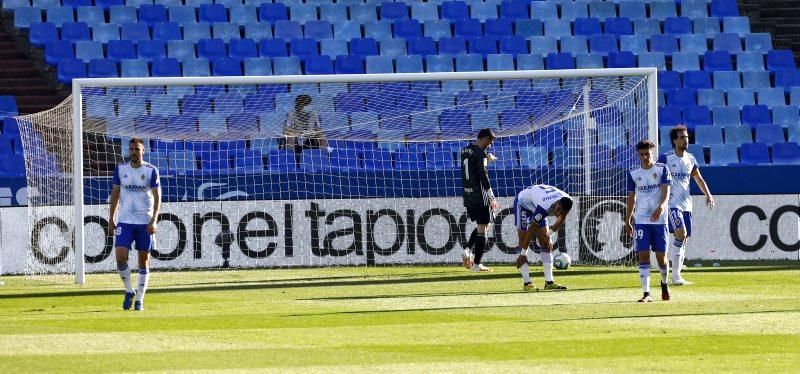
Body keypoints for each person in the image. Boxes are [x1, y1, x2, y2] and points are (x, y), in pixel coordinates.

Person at [657, 125, 715, 285]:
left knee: (683, 239)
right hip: (671, 204)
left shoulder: (691, 159)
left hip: (686, 205)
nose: (686, 140)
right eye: (682, 137)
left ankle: (676, 274)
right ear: (675, 141)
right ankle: (675, 277)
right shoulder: (665, 159)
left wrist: (708, 194)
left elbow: (698, 178)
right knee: (680, 234)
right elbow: (655, 177)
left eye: (687, 137)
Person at [108, 138, 161, 311]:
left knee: (143, 262)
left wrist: (154, 219)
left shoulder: (151, 170)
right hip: (125, 221)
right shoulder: (121, 169)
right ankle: (129, 290)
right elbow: (115, 194)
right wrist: (111, 218)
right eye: (131, 149)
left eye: (137, 149)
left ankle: (140, 300)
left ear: (143, 151)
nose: (133, 152)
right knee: (120, 257)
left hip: (144, 222)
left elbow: (158, 197)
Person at [626, 140, 671, 302]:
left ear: (653, 153)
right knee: (643, 255)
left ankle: (664, 284)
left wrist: (661, 207)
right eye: (642, 154)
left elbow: (666, 193)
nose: (645, 157)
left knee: (661, 259)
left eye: (648, 154)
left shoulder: (662, 169)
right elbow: (632, 197)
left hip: (660, 221)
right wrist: (628, 219)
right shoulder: (633, 174)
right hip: (641, 221)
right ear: (638, 154)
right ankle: (646, 294)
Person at [513, 184, 573, 292]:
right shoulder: (545, 205)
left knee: (546, 243)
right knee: (523, 241)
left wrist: (549, 235)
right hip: (523, 204)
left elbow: (561, 218)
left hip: (536, 205)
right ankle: (527, 283)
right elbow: (531, 229)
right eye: (558, 209)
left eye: (562, 211)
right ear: (557, 203)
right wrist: (522, 254)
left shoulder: (567, 201)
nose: (558, 213)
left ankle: (549, 282)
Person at [460, 128, 500, 272]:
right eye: (489, 142)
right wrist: (491, 197)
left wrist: (486, 158)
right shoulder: (481, 153)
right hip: (481, 196)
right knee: (483, 230)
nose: (489, 145)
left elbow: (473, 168)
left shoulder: (464, 151)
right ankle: (476, 265)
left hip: (468, 196)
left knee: (482, 226)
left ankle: (467, 250)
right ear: (484, 139)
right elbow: (483, 175)